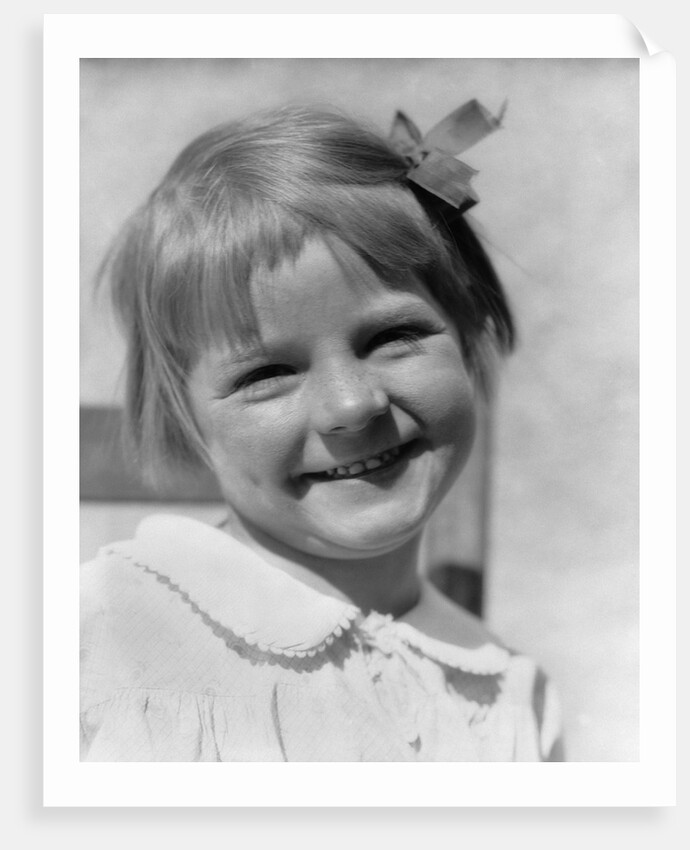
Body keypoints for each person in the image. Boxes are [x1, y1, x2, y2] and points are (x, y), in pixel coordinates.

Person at [80, 102, 564, 761]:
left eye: (392, 337)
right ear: (183, 419)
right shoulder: (99, 636)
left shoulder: (509, 694)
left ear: (471, 336)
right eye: (268, 372)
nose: (351, 405)